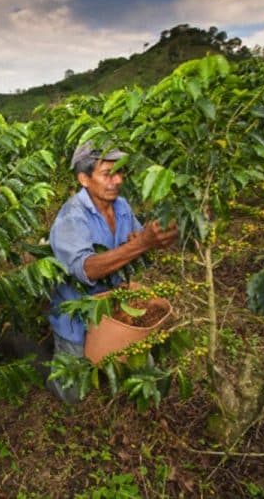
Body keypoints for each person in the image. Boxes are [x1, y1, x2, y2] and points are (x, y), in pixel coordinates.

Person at [47, 142, 178, 403]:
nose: (117, 180)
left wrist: (150, 237)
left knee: (140, 363)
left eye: (119, 172)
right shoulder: (72, 218)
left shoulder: (121, 206)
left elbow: (135, 236)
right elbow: (87, 268)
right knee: (70, 391)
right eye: (107, 174)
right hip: (76, 312)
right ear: (84, 179)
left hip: (115, 304)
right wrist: (141, 244)